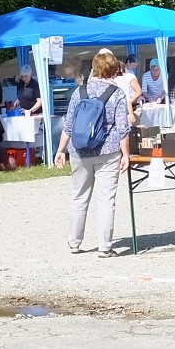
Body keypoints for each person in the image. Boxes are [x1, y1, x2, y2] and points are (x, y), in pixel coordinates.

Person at [53, 49, 130, 257]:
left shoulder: (79, 92)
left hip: (79, 150)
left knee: (79, 197)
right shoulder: (118, 94)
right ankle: (105, 247)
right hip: (108, 151)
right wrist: (126, 154)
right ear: (114, 69)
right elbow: (122, 128)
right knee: (106, 200)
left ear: (94, 68)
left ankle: (74, 242)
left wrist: (60, 150)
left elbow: (68, 125)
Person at [113, 55, 143, 119]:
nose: (134, 67)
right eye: (134, 65)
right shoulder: (126, 74)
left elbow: (138, 91)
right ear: (128, 62)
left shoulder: (130, 74)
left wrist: (130, 102)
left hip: (130, 103)